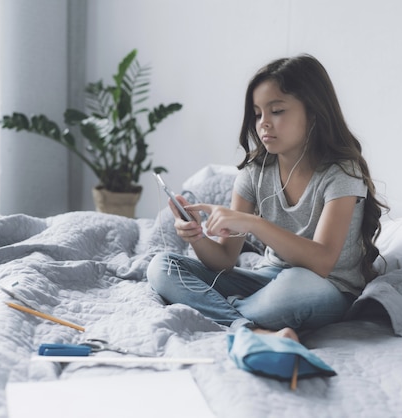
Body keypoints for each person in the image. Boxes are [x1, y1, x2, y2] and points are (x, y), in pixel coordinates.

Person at [146, 54, 388, 342]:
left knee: (296, 288)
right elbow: (224, 260)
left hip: (324, 286)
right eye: (258, 113)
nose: (263, 124)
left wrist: (252, 223)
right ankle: (250, 328)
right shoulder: (254, 173)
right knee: (161, 267)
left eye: (277, 111)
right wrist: (196, 236)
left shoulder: (342, 174)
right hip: (265, 280)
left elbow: (321, 262)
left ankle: (224, 311)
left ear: (313, 113)